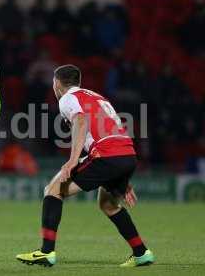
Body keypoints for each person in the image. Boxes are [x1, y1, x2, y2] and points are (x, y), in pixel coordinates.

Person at [16, 64, 154, 267]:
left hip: (106, 155)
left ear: (57, 83)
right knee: (108, 205)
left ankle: (46, 252)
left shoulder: (67, 98)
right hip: (126, 155)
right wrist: (121, 178)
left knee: (53, 191)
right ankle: (141, 253)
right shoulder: (96, 96)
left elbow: (81, 122)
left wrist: (72, 161)